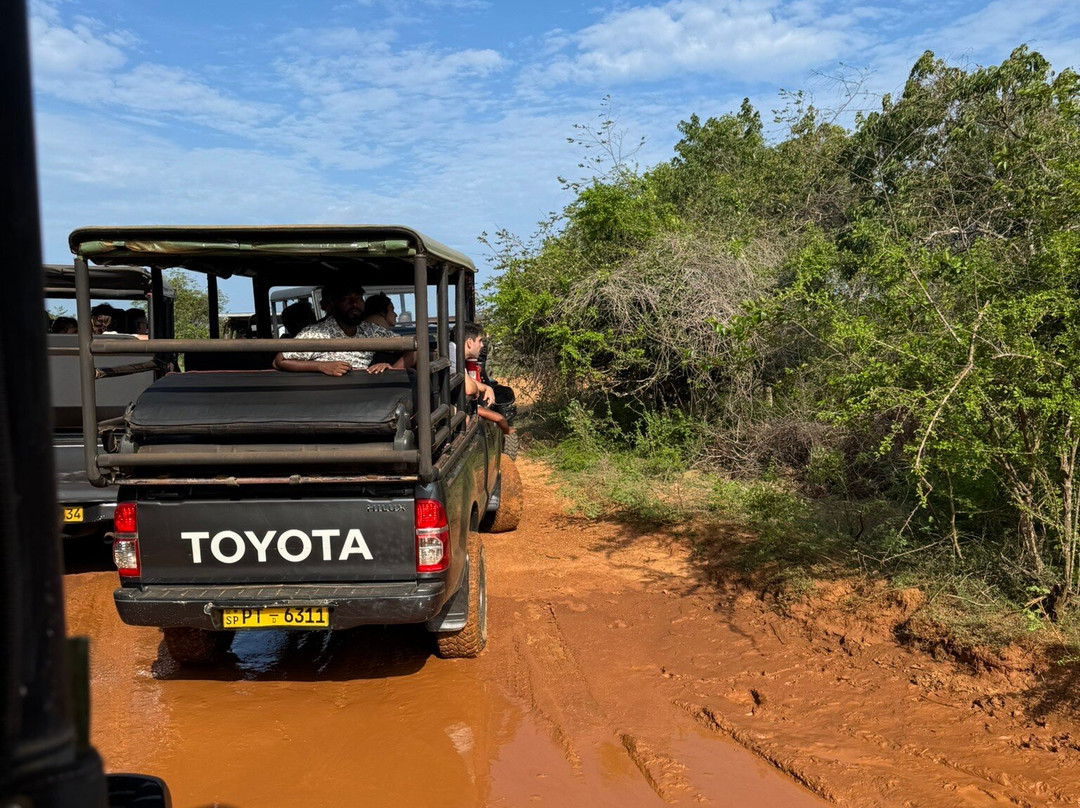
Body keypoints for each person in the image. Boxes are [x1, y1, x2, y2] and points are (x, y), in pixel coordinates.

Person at [272, 279, 392, 376]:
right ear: (331, 305)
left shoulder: (371, 330)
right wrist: (322, 366)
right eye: (346, 299)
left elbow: (404, 346)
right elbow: (280, 361)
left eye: (359, 298)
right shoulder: (317, 333)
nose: (354, 304)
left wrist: (390, 368)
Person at [361, 293, 415, 368]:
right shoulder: (376, 331)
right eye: (392, 310)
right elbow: (414, 349)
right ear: (382, 312)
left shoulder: (361, 328)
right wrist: (392, 371)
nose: (395, 315)